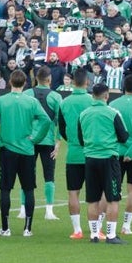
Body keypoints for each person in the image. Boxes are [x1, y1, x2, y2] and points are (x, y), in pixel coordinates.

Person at [0, 69, 50, 237]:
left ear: (9, 82)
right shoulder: (31, 101)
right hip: (27, 151)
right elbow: (46, 121)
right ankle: (27, 229)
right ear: (25, 84)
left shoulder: (0, 100)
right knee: (28, 189)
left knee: (5, 189)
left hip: (7, 150)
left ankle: (5, 228)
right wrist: (36, 139)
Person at [78, 83, 129, 244]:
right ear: (106, 96)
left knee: (92, 199)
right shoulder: (112, 113)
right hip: (108, 159)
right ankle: (111, 235)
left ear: (92, 95)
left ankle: (94, 235)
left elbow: (81, 139)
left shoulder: (84, 114)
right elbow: (123, 136)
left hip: (90, 159)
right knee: (113, 198)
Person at [58, 67, 96, 239]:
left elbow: (62, 128)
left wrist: (73, 140)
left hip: (73, 153)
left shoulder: (64, 103)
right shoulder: (92, 101)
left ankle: (77, 230)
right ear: (87, 82)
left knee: (73, 192)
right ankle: (95, 229)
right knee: (94, 193)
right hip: (92, 152)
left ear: (73, 82)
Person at [21, 66, 62, 220]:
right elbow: (60, 122)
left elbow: (22, 118)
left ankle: (23, 209)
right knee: (49, 176)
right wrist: (58, 143)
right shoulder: (56, 97)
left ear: (36, 79)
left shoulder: (26, 94)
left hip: (29, 141)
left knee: (26, 174)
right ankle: (49, 211)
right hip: (48, 140)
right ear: (49, 79)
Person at [109, 73, 132, 236]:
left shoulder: (113, 104)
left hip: (116, 151)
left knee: (111, 188)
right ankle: (126, 225)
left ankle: (103, 224)